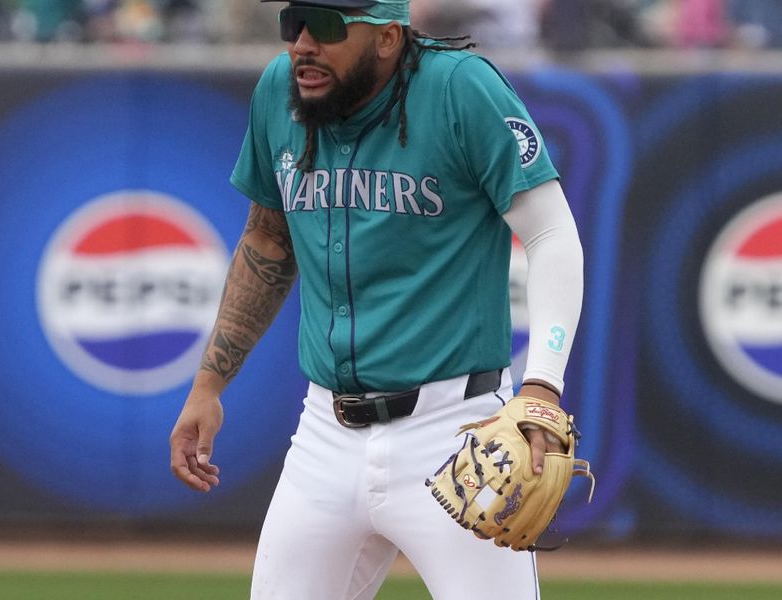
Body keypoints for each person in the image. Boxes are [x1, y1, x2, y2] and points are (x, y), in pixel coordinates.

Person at [169, 0, 584, 598]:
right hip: (325, 434)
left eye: (329, 26)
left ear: (389, 37)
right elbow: (267, 237)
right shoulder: (280, 91)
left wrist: (542, 384)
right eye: (294, 22)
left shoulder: (460, 89)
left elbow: (551, 235)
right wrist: (208, 385)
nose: (303, 43)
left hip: (455, 431)